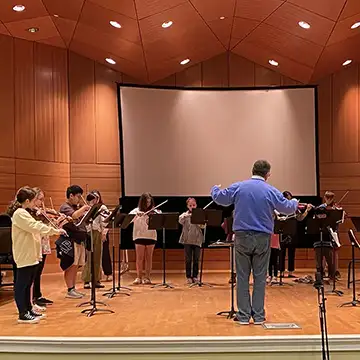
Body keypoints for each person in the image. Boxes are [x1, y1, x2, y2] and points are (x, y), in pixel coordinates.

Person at [211, 160, 298, 325]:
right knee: (260, 278)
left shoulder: (239, 186)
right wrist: (294, 202)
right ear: (267, 174)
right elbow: (287, 207)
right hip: (262, 238)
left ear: (252, 170)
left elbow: (220, 198)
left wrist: (215, 188)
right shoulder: (270, 190)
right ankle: (258, 316)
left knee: (242, 278)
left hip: (242, 237)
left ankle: (243, 316)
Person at [9, 187, 66, 323]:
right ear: (27, 201)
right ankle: (22, 313)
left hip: (32, 254)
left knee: (28, 283)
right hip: (25, 254)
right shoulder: (20, 213)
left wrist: (53, 227)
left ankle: (29, 310)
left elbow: (37, 228)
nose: (36, 203)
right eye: (35, 200)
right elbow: (35, 226)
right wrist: (55, 230)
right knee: (22, 284)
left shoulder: (25, 212)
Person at [58, 185, 90, 299]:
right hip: (70, 239)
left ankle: (73, 288)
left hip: (78, 238)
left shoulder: (76, 206)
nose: (79, 199)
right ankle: (70, 289)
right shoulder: (65, 207)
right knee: (70, 265)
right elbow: (74, 215)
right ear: (71, 195)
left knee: (76, 265)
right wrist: (84, 208)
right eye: (78, 197)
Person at [278, 191, 312, 278]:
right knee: (281, 253)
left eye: (290, 198)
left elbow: (300, 218)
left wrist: (307, 211)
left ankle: (290, 272)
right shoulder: (280, 208)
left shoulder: (295, 209)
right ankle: (281, 271)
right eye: (287, 199)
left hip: (292, 233)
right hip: (282, 233)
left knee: (291, 253)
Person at [130, 193, 160, 285]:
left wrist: (155, 214)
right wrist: (136, 215)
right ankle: (138, 277)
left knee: (148, 258)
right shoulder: (136, 211)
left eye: (149, 202)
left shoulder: (155, 211)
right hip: (139, 236)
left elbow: (160, 219)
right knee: (139, 258)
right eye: (146, 202)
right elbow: (129, 219)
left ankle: (147, 277)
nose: (148, 204)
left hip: (151, 236)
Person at [82, 190, 108, 289]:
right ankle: (87, 280)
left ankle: (96, 279)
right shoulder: (86, 207)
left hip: (97, 232)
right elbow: (82, 221)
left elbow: (105, 222)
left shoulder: (102, 207)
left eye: (95, 198)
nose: (93, 200)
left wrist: (104, 233)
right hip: (88, 232)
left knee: (97, 256)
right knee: (89, 257)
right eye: (91, 198)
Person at [314, 191, 341, 280]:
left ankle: (334, 272)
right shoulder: (321, 208)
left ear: (333, 198)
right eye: (327, 198)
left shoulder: (336, 208)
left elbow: (339, 220)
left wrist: (338, 212)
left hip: (333, 232)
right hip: (323, 233)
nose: (329, 200)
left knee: (333, 253)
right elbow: (316, 218)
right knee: (323, 252)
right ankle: (322, 271)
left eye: (331, 198)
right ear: (325, 198)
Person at [179, 198, 204, 284]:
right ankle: (188, 276)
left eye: (194, 205)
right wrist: (187, 216)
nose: (192, 207)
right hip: (187, 240)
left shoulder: (199, 215)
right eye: (190, 205)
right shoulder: (184, 215)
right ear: (187, 206)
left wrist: (198, 220)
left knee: (196, 259)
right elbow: (180, 220)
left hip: (197, 240)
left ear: (196, 205)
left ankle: (195, 276)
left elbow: (203, 226)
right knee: (188, 259)